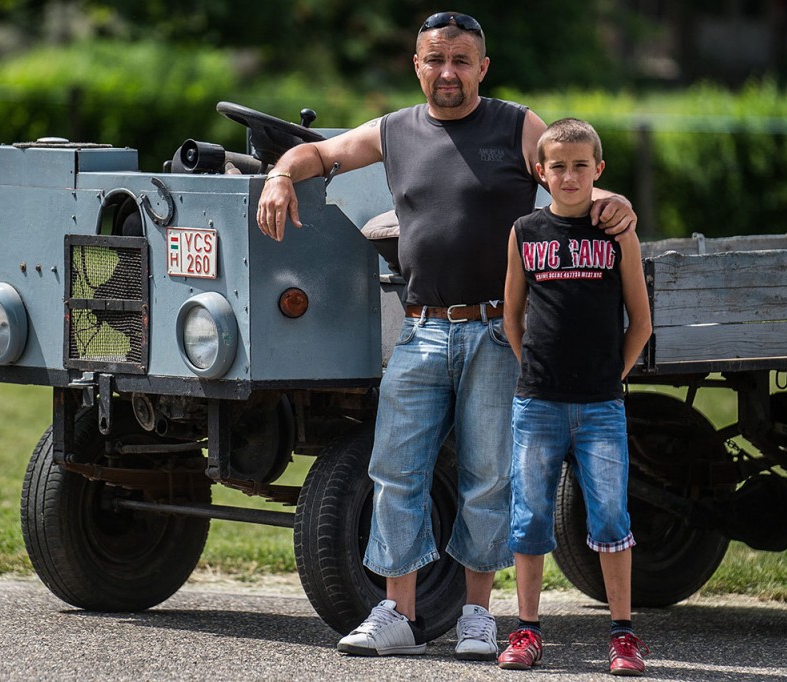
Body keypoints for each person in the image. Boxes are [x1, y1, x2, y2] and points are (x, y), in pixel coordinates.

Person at [256, 12, 637, 660]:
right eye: (436, 60)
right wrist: (280, 175)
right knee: (395, 471)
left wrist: (614, 202)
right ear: (417, 65)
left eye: (462, 61)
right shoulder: (396, 130)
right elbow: (319, 154)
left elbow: (571, 180)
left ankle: (477, 619)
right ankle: (397, 614)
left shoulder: (518, 125)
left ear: (482, 68)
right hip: (421, 330)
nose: (448, 73)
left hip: (494, 329)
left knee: (487, 477)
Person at [499, 118, 652, 675]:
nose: (569, 175)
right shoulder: (524, 232)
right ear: (541, 173)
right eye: (557, 166)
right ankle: (526, 631)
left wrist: (612, 376)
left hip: (601, 404)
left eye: (580, 166)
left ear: (598, 171)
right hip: (536, 401)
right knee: (529, 517)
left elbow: (640, 321)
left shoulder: (617, 234)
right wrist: (535, 370)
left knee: (611, 518)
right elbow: (513, 317)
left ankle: (622, 636)